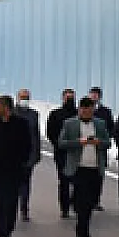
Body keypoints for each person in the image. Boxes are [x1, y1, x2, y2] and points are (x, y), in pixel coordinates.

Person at [58, 97, 111, 237]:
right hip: (78, 168)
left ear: (93, 109)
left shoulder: (100, 124)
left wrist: (98, 143)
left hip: (94, 168)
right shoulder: (70, 123)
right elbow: (62, 143)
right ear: (79, 109)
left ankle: (81, 225)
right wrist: (79, 142)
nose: (86, 112)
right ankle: (84, 235)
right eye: (83, 109)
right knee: (83, 201)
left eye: (89, 109)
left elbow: (108, 142)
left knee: (91, 201)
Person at [0, 95, 33, 237]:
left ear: (6, 107)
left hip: (15, 170)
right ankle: (1, 234)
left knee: (11, 202)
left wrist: (23, 163)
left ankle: (8, 229)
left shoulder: (20, 124)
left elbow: (27, 145)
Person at [46, 89, 78, 218]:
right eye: (67, 98)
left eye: (72, 98)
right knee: (64, 180)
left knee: (77, 180)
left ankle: (74, 203)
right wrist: (58, 144)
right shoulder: (55, 114)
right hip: (61, 152)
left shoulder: (79, 114)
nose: (70, 100)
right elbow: (50, 132)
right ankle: (64, 207)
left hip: (77, 152)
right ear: (63, 98)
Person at [11, 89, 41, 221]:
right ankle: (12, 207)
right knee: (13, 183)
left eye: (27, 97)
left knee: (25, 182)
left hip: (29, 154)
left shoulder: (34, 115)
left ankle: (24, 208)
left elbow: (36, 135)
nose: (24, 100)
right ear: (17, 98)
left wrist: (37, 153)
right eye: (22, 97)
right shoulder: (11, 113)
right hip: (13, 154)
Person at [88, 86, 114, 212]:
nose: (93, 97)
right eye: (91, 94)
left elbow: (111, 129)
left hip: (100, 148)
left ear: (99, 97)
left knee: (98, 175)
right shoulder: (82, 110)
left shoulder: (106, 112)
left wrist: (104, 140)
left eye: (95, 95)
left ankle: (95, 200)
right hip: (85, 147)